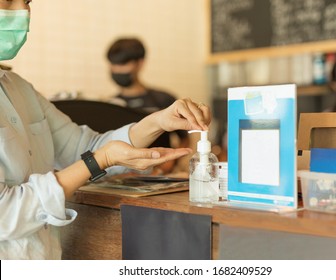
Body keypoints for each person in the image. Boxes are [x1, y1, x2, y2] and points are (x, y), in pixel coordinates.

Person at [0, 0, 211, 260]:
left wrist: (157, 121)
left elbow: (82, 147)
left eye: (28, 1)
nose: (22, 11)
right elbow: (5, 214)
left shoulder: (20, 89)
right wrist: (99, 160)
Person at [106, 37, 190, 173]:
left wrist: (170, 162)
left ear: (140, 63)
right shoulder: (109, 105)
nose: (117, 69)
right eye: (113, 64)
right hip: (123, 177)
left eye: (123, 63)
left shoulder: (164, 100)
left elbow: (184, 137)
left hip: (161, 175)